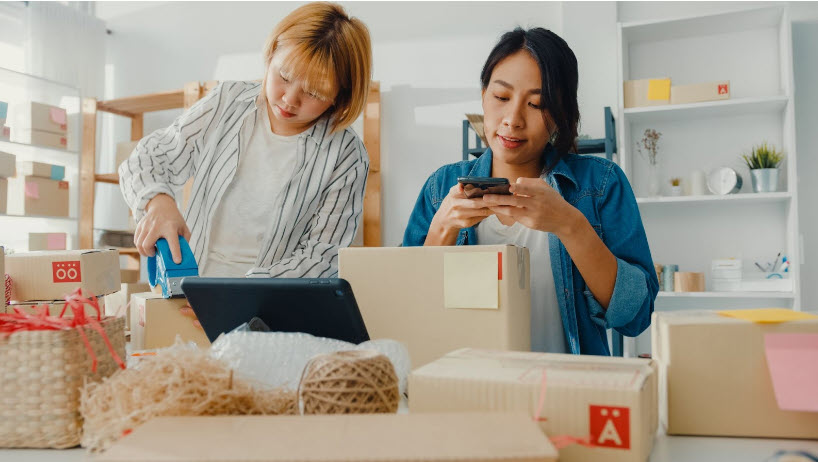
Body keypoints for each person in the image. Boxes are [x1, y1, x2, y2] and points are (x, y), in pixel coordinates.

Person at [402, 27, 658, 355]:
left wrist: (572, 226)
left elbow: (635, 317)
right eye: (501, 97)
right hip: (469, 390)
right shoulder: (441, 187)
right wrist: (441, 230)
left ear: (560, 115)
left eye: (536, 104)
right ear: (483, 96)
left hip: (569, 396)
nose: (513, 119)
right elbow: (409, 312)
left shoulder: (601, 184)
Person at [120, 2, 372, 279]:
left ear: (341, 95)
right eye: (284, 76)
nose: (289, 99)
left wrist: (240, 294)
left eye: (313, 92)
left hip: (270, 309)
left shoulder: (345, 155)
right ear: (271, 53)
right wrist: (159, 203)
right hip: (189, 290)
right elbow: (149, 157)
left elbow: (321, 258)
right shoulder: (227, 101)